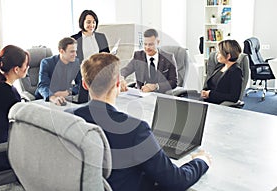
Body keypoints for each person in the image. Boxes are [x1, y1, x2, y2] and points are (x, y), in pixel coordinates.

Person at [74, 53, 211, 191]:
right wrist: (201, 160)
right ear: (117, 83)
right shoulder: (135, 130)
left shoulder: (71, 118)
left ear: (85, 84)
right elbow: (176, 181)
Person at [120, 28, 177, 93]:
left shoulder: (168, 58)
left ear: (158, 42)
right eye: (145, 44)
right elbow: (126, 70)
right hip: (141, 95)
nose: (147, 47)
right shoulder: (138, 56)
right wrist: (121, 78)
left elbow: (173, 82)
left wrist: (156, 86)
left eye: (150, 44)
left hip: (160, 96)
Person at [71, 10, 110, 103]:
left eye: (94, 22)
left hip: (99, 71)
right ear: (82, 22)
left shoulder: (101, 37)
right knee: (84, 99)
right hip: (82, 72)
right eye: (88, 22)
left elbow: (107, 54)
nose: (92, 25)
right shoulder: (74, 39)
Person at [35, 37, 80, 105]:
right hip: (45, 99)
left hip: (65, 97)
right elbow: (42, 86)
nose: (75, 54)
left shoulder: (75, 63)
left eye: (75, 51)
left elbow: (80, 84)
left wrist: (68, 92)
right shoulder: (46, 63)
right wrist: (52, 97)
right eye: (72, 51)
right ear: (61, 51)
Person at [201, 39, 243, 104]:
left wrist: (210, 94)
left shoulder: (236, 71)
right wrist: (205, 91)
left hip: (218, 105)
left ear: (228, 56)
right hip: (207, 100)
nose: (217, 55)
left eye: (220, 53)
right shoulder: (220, 65)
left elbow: (234, 97)